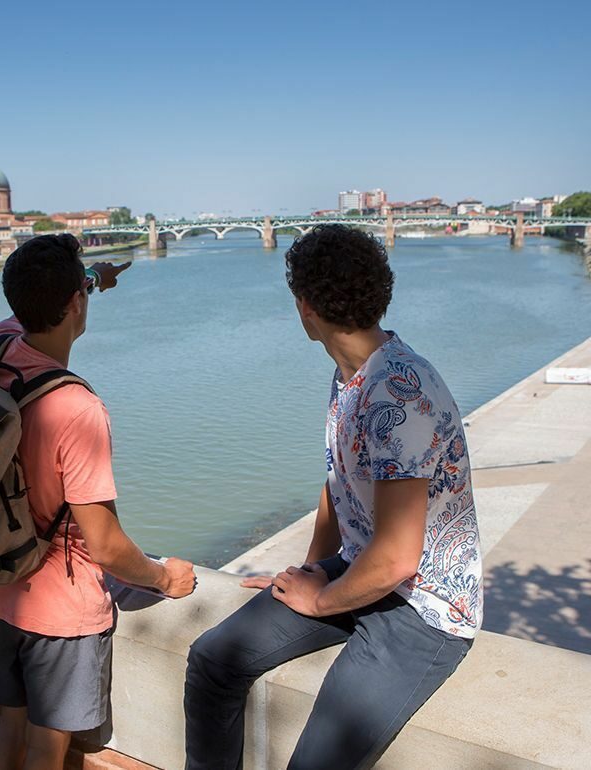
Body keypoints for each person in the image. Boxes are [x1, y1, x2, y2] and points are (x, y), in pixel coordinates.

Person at [184, 224, 483, 770]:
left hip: (422, 609)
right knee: (212, 660)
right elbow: (339, 481)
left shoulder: (398, 389)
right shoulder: (352, 374)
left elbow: (396, 558)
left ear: (305, 308)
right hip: (356, 571)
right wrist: (310, 570)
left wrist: (317, 601)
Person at [0, 234, 196, 770]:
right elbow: (108, 546)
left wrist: (92, 279)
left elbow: (42, 298)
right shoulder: (77, 408)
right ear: (75, 304)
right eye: (82, 291)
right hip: (55, 610)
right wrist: (166, 578)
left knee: (7, 735)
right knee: (47, 754)